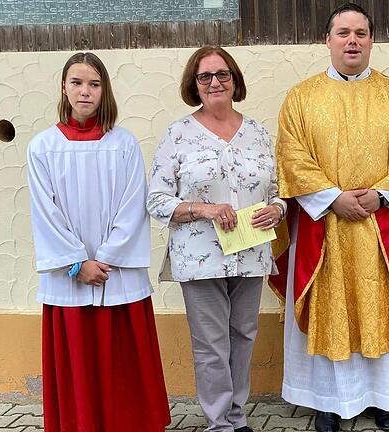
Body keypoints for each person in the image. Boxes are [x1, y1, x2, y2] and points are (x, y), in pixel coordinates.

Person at [271, 3, 389, 432]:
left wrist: (380, 196)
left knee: (380, 307)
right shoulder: (302, 98)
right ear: (327, 40)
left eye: (360, 33)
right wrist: (332, 198)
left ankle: (385, 400)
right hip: (324, 225)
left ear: (370, 40)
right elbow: (291, 155)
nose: (352, 41)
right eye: (343, 33)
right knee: (331, 308)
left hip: (383, 227)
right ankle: (327, 401)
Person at [27, 52, 170, 431]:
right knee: (79, 360)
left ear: (104, 89)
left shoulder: (123, 143)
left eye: (94, 83)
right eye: (77, 83)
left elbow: (131, 205)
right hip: (70, 277)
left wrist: (104, 258)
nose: (85, 91)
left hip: (114, 275)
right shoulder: (42, 146)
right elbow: (45, 212)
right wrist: (77, 263)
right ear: (64, 87)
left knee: (122, 360)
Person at [146, 46, 285, 432]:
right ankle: (218, 423)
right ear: (194, 85)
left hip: (251, 250)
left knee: (243, 335)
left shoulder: (257, 132)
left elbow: (276, 190)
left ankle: (237, 417)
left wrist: (278, 209)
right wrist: (204, 209)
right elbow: (156, 200)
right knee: (211, 343)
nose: (214, 82)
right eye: (204, 77)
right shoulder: (178, 133)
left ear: (235, 80)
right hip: (200, 256)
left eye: (222, 74)